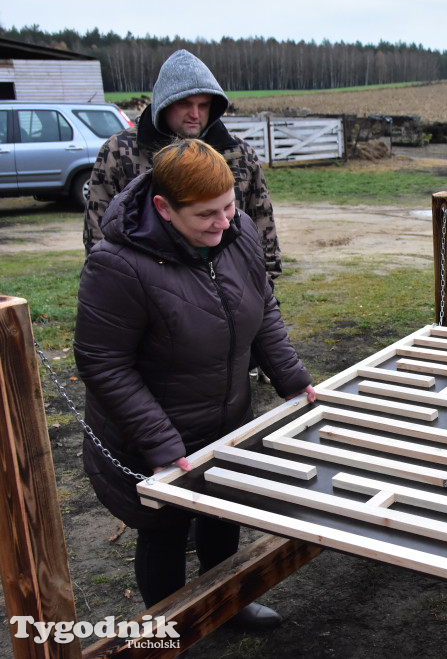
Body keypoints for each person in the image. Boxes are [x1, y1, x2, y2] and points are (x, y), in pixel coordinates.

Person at [74, 139, 315, 627]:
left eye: (229, 207)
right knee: (163, 530)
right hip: (153, 431)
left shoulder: (238, 230)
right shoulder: (117, 265)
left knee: (222, 512)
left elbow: (261, 306)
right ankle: (168, 629)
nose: (224, 222)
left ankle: (228, 603)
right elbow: (102, 362)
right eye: (207, 214)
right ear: (163, 208)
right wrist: (161, 442)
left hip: (224, 415)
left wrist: (291, 379)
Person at [84, 49, 283, 281]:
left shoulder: (239, 155)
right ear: (164, 104)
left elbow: (261, 222)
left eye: (204, 105)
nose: (195, 114)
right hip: (150, 291)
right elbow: (99, 231)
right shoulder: (118, 153)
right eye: (185, 104)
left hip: (229, 289)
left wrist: (264, 286)